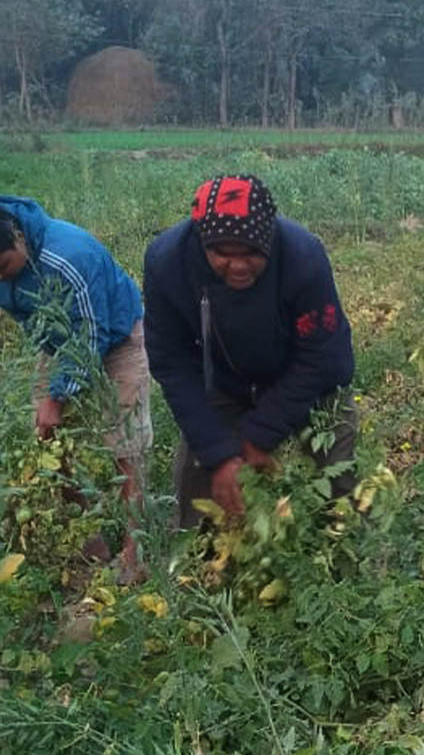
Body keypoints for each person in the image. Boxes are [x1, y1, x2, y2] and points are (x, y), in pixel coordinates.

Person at [144, 174, 358, 528]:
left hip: (308, 382)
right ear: (202, 243)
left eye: (252, 254)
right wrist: (219, 452)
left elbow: (324, 357)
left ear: (270, 240)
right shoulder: (168, 263)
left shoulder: (303, 257)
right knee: (200, 480)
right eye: (222, 255)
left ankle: (344, 559)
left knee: (340, 477)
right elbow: (172, 363)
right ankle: (198, 568)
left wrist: (261, 433)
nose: (239, 265)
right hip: (226, 381)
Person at [0, 196, 151, 581]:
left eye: (2, 267)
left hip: (115, 337)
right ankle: (87, 543)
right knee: (48, 444)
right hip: (57, 344)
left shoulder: (70, 254)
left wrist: (56, 397)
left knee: (125, 446)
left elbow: (91, 332)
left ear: (18, 238)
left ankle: (136, 555)